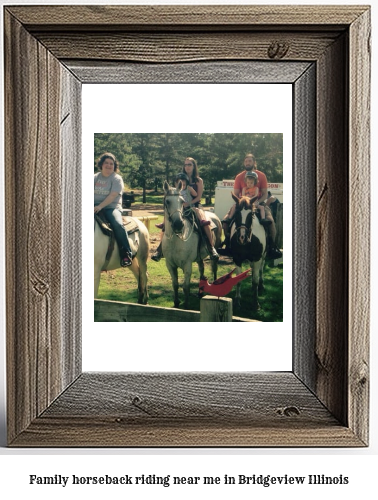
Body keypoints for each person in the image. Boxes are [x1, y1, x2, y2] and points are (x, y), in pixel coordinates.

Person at [152, 160, 219, 261]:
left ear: (194, 166)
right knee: (168, 222)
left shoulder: (198, 180)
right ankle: (160, 249)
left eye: (189, 165)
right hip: (180, 207)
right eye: (186, 165)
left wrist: (189, 203)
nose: (187, 167)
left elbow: (198, 196)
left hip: (194, 205)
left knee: (204, 223)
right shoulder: (180, 178)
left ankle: (211, 247)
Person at [222, 153, 282, 259]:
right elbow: (236, 193)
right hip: (242, 203)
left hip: (258, 202)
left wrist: (258, 202)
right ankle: (227, 244)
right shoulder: (239, 177)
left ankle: (272, 247)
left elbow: (264, 193)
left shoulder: (261, 175)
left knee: (270, 221)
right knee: (226, 220)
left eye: (249, 161)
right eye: (246, 161)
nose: (247, 163)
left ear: (254, 162)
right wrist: (243, 202)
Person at [94, 152, 133, 267]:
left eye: (111, 164)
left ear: (114, 166)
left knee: (117, 224)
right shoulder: (94, 177)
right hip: (93, 207)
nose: (109, 165)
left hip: (111, 207)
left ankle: (126, 253)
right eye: (106, 163)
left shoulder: (117, 179)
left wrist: (100, 206)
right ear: (101, 164)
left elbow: (112, 196)